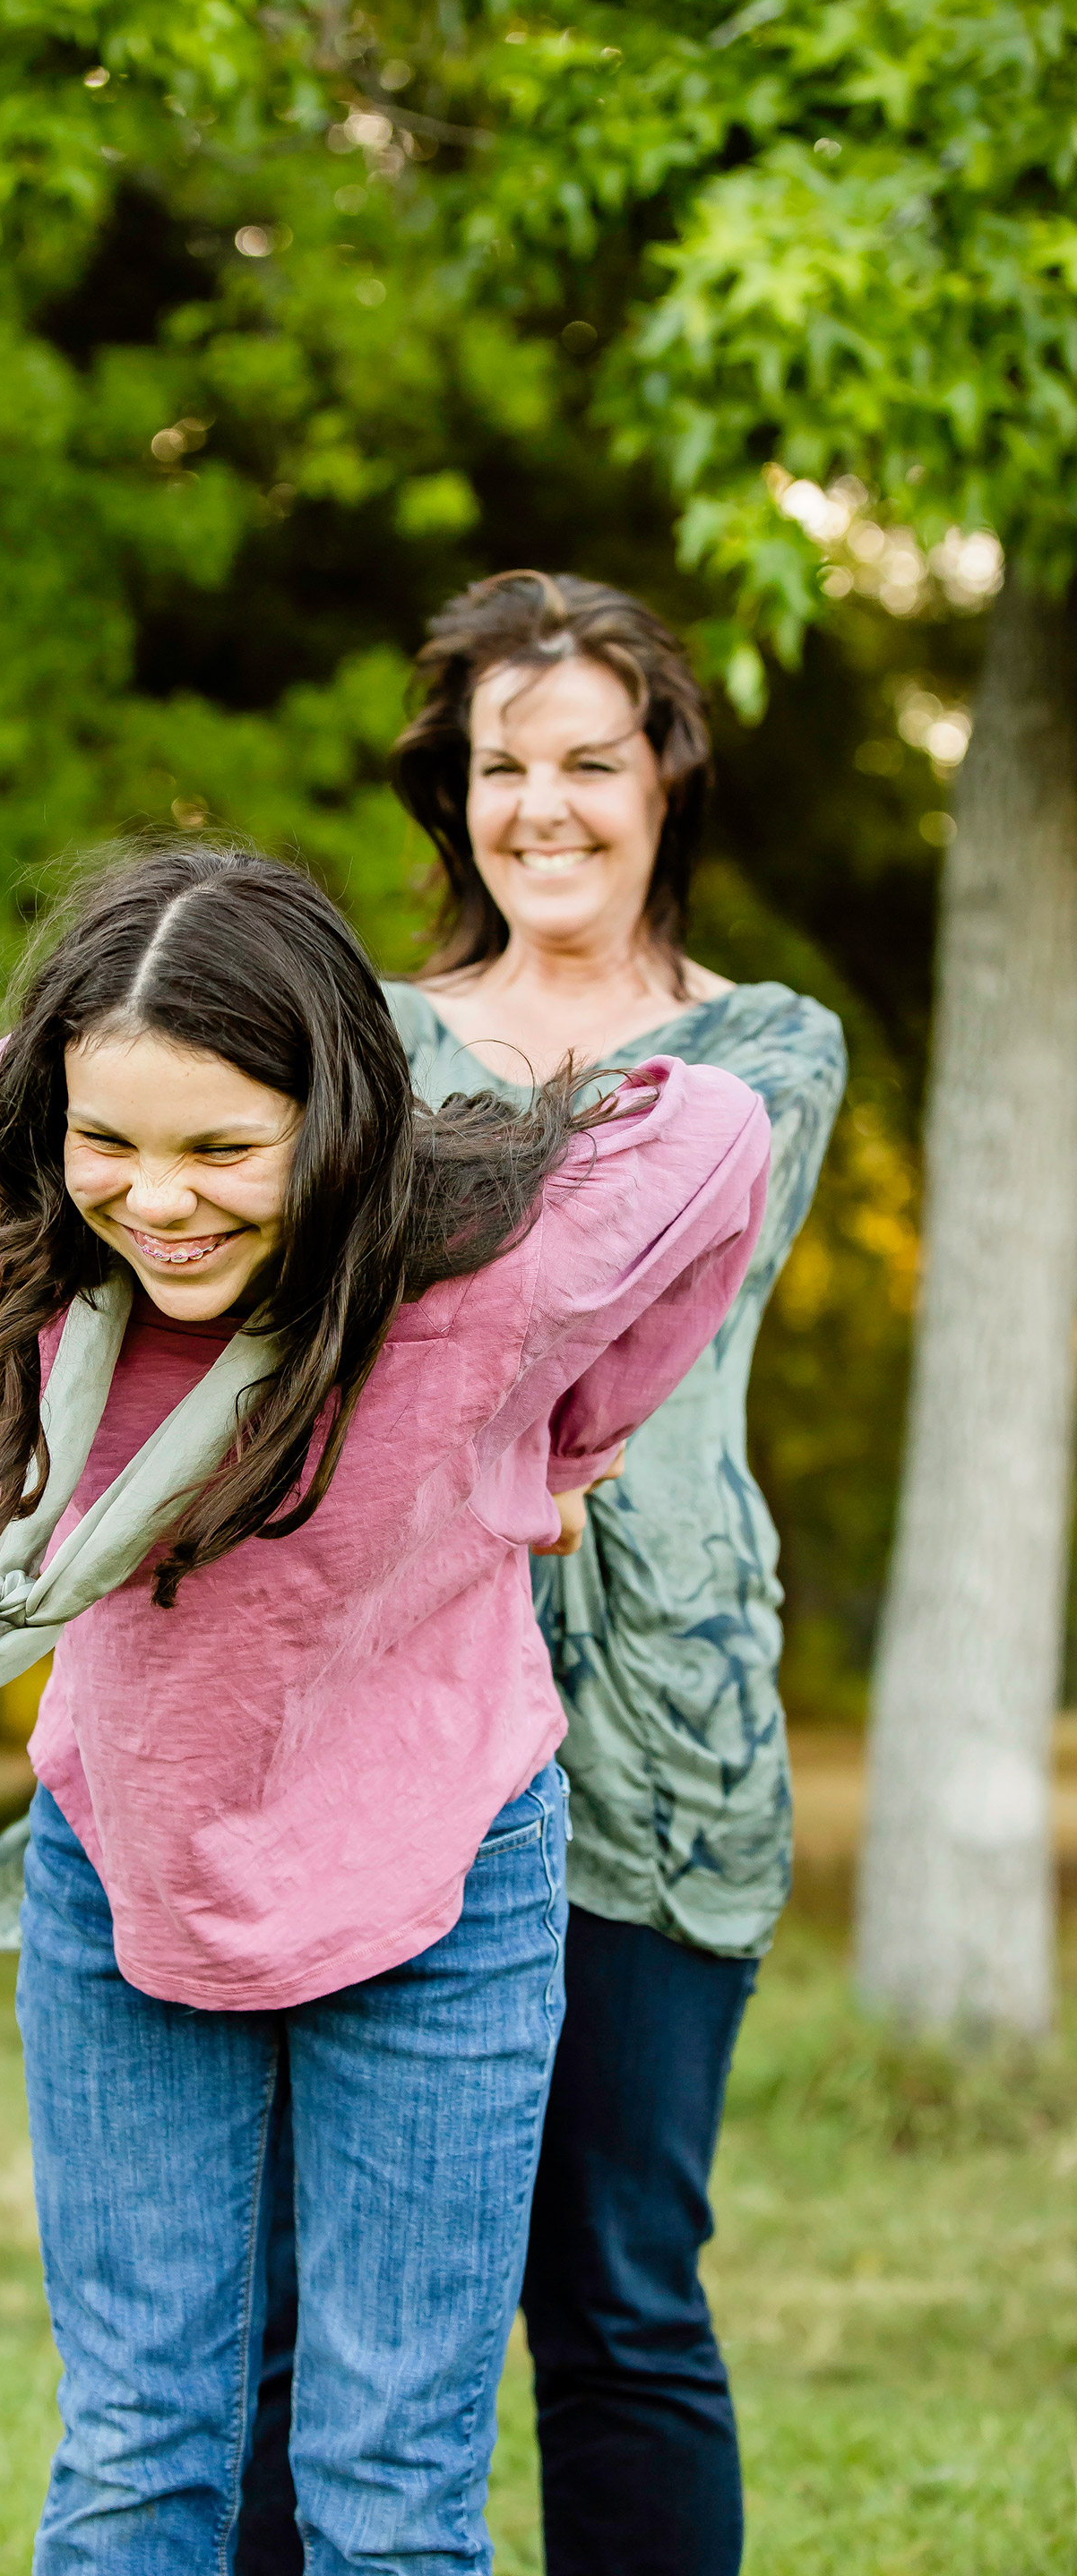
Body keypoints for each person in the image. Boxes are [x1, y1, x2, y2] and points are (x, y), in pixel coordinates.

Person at [0, 843, 771, 2575]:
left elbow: (718, 1139)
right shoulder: (53, 1269)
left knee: (388, 2488)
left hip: (439, 1887)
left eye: (226, 1148)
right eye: (113, 1146)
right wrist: (110, 1034)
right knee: (142, 2447)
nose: (159, 1203)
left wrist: (567, 1436)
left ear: (340, 1121)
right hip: (127, 1873)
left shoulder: (481, 1279)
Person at [236, 574, 846, 2576]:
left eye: (590, 758)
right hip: (375, 1700)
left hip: (654, 1738)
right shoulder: (369, 1043)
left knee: (618, 2294)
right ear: (454, 794)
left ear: (664, 771)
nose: (546, 807)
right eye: (503, 766)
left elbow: (599, 1303)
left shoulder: (762, 1054)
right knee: (309, 2311)